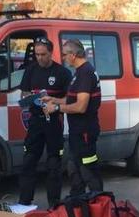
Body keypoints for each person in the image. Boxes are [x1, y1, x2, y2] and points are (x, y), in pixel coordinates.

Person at [42, 39, 102, 195]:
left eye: (64, 54)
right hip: (78, 131)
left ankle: (99, 204)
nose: (63, 58)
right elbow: (72, 100)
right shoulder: (80, 73)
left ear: (73, 55)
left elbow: (81, 107)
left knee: (87, 169)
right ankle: (78, 202)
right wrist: (54, 99)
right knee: (74, 168)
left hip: (85, 131)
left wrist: (56, 108)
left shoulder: (85, 73)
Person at [17, 38, 72, 207]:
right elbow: (24, 95)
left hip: (53, 122)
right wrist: (30, 99)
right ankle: (25, 202)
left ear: (51, 53)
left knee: (53, 165)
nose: (39, 58)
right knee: (28, 162)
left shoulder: (63, 73)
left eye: (43, 54)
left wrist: (54, 103)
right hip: (35, 123)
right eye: (37, 54)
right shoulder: (31, 70)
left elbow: (69, 99)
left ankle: (54, 204)